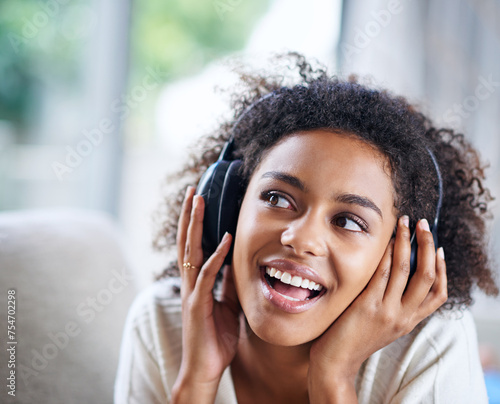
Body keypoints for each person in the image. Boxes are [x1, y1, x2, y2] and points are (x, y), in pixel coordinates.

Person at [114, 53, 499, 404]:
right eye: (278, 199)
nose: (300, 238)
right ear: (229, 205)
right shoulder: (162, 323)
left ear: (403, 257)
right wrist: (195, 383)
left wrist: (334, 377)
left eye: (348, 221)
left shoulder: (428, 348)